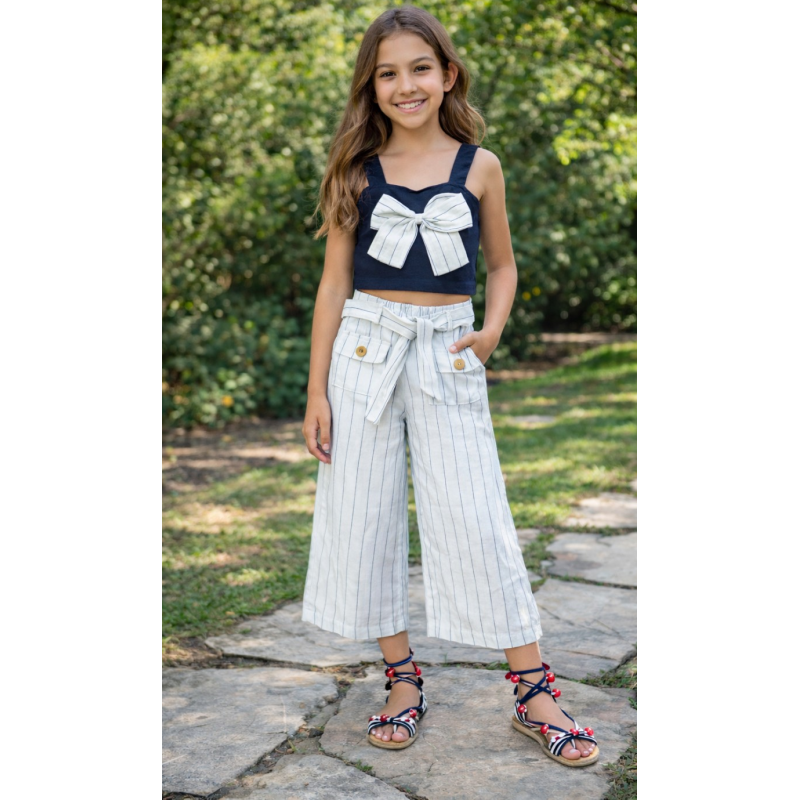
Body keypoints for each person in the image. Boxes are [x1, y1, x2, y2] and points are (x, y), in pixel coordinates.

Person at [301, 5, 599, 766]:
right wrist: (316, 392)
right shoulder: (357, 170)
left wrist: (492, 330)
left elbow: (502, 265)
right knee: (364, 516)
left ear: (447, 75)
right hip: (364, 347)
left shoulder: (480, 166)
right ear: (371, 86)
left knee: (476, 514)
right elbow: (333, 286)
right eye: (388, 73)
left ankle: (533, 690)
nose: (405, 85)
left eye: (419, 69)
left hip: (449, 348)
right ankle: (402, 682)